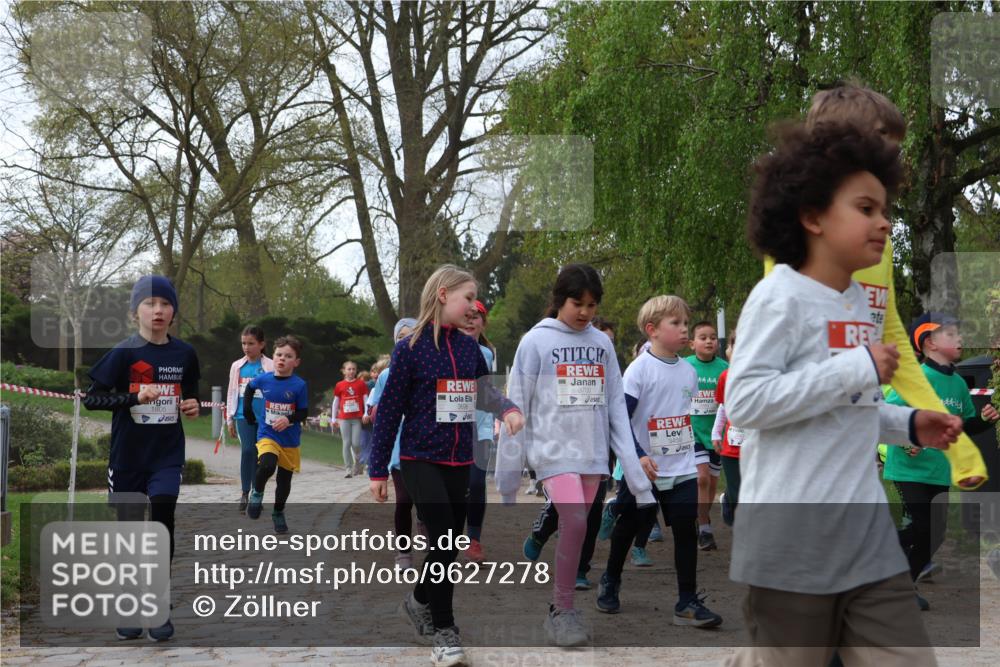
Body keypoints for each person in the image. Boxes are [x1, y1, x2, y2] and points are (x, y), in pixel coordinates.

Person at [725, 121, 963, 666]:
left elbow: (843, 408)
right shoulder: (777, 297)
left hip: (865, 533)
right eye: (865, 208)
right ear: (812, 217)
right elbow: (746, 404)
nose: (884, 223)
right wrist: (855, 367)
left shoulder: (860, 301)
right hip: (792, 540)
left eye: (885, 210)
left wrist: (906, 424)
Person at [763, 82, 986, 490]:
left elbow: (891, 339)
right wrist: (857, 368)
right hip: (795, 480)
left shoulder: (876, 246)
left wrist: (949, 443)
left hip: (852, 468)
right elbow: (759, 394)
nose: (893, 162)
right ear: (834, 149)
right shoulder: (791, 253)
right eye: (884, 146)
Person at [369, 265, 523, 667]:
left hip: (459, 458)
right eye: (468, 298)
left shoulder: (471, 349)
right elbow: (388, 413)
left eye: (475, 300)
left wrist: (507, 410)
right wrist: (376, 470)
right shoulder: (410, 349)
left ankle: (419, 599)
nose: (473, 307)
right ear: (442, 295)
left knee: (449, 544)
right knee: (441, 540)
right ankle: (445, 632)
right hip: (420, 458)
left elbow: (484, 393)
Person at [497, 263, 656, 647]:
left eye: (592, 304)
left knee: (577, 526)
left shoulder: (601, 345)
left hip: (591, 452)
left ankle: (559, 608)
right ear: (558, 300)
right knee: (576, 522)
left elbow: (616, 405)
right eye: (577, 303)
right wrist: (509, 471)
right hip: (552, 450)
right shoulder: (535, 342)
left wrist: (631, 469)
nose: (585, 312)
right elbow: (516, 400)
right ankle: (563, 610)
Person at [83, 275, 201, 642]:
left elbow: (191, 396)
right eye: (150, 304)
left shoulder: (184, 354)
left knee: (163, 518)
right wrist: (134, 398)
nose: (159, 310)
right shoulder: (122, 353)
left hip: (166, 455)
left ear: (174, 312)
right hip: (128, 458)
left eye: (165, 304)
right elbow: (92, 398)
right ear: (136, 311)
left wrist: (193, 406)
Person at [595, 295, 722, 628]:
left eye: (685, 324)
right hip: (644, 471)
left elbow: (682, 417)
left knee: (685, 529)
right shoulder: (639, 370)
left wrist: (694, 454)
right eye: (676, 324)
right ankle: (610, 578)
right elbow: (620, 420)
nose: (684, 330)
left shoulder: (688, 372)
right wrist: (638, 455)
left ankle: (687, 600)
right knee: (628, 528)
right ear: (652, 330)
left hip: (681, 468)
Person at [882, 313, 999, 608]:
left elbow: (963, 426)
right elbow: (887, 415)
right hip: (909, 469)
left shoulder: (959, 384)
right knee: (922, 528)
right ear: (929, 343)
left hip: (938, 471)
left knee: (935, 534)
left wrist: (983, 421)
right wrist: (908, 439)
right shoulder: (917, 379)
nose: (960, 339)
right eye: (951, 334)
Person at [367, 322, 423, 571]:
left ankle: (429, 537)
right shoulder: (387, 375)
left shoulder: (429, 369)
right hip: (400, 451)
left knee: (428, 503)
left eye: (411, 335)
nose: (406, 340)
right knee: (404, 501)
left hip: (427, 449)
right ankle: (403, 552)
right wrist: (378, 411)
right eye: (401, 337)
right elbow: (374, 407)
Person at [243, 335, 309, 535]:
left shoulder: (299, 385)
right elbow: (249, 388)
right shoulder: (264, 379)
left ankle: (278, 512)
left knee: (284, 481)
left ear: (296, 362)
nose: (282, 359)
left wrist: (288, 419)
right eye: (279, 355)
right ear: (273, 357)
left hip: (289, 439)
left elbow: (303, 412)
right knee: (267, 464)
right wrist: (247, 409)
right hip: (267, 434)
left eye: (288, 356)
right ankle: (257, 493)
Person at [460, 299, 497, 564]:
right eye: (467, 315)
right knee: (453, 486)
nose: (472, 320)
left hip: (480, 427)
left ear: (483, 322)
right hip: (450, 427)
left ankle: (474, 539)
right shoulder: (441, 349)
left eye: (477, 316)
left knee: (475, 482)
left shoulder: (486, 354)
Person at [684, 321, 727, 550]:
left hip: (715, 435)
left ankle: (703, 518)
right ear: (692, 344)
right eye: (703, 337)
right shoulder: (686, 366)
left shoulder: (724, 368)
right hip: (693, 433)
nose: (709, 341)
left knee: (711, 482)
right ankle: (704, 528)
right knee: (701, 478)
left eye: (712, 337)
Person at [225, 325, 273, 514]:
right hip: (243, 415)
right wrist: (229, 418)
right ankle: (245, 492)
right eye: (244, 343)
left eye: (251, 343)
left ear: (262, 344)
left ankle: (257, 493)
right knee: (247, 451)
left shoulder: (269, 365)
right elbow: (231, 392)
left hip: (265, 417)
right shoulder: (237, 366)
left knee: (261, 456)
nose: (246, 347)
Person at [711, 330, 742, 527]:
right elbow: (723, 406)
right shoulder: (726, 376)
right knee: (737, 491)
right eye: (733, 345)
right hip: (732, 448)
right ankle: (729, 499)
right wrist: (716, 432)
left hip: (757, 447)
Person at [333, 360, 368, 477]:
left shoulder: (361, 384)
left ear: (356, 371)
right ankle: (348, 469)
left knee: (356, 444)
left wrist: (366, 413)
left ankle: (357, 463)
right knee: (346, 443)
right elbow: (336, 402)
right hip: (344, 418)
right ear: (344, 371)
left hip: (357, 418)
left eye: (353, 369)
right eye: (349, 369)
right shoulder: (339, 385)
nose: (351, 371)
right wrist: (333, 418)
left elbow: (365, 399)